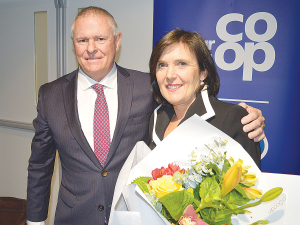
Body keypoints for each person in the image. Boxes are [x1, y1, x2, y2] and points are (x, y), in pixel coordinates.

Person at [26, 7, 264, 225]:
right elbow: (40, 165)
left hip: (134, 217)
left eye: (100, 38)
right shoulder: (51, 95)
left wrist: (249, 116)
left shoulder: (146, 89)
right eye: (82, 40)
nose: (91, 48)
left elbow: (194, 103)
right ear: (73, 43)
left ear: (117, 41)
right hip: (75, 217)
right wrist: (35, 222)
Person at [149, 30, 261, 167]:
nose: (170, 75)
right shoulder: (156, 118)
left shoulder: (231, 118)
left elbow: (248, 185)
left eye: (182, 64)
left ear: (203, 73)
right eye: (162, 65)